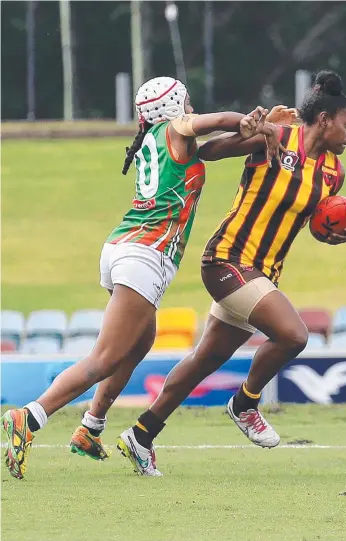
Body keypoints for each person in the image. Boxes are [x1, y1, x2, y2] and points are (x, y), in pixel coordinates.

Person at [1, 76, 281, 480]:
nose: (191, 109)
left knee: (140, 340)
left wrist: (265, 129)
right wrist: (248, 120)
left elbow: (217, 147)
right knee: (104, 358)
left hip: (122, 247)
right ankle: (30, 417)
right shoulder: (176, 127)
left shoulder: (156, 139)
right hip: (145, 256)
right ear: (174, 108)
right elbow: (212, 122)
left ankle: (91, 427)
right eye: (186, 103)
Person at [115, 70, 346, 476]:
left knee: (205, 359)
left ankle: (141, 434)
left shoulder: (334, 173)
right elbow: (207, 152)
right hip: (227, 259)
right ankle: (245, 403)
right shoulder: (279, 138)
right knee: (294, 335)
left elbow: (310, 220)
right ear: (325, 120)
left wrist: (333, 235)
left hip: (262, 274)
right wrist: (259, 129)